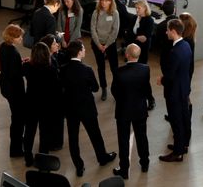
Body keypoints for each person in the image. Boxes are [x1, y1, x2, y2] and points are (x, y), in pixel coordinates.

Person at [61, 40, 116, 177]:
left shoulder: (63, 69)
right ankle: (102, 158)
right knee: (95, 134)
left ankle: (79, 166)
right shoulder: (87, 70)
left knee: (73, 139)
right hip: (86, 108)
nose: (85, 50)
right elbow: (96, 88)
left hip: (70, 108)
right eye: (84, 49)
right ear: (79, 52)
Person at [111, 43, 152, 179]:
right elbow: (147, 89)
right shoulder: (145, 69)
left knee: (123, 140)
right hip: (140, 109)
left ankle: (124, 169)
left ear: (127, 55)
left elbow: (114, 91)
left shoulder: (118, 71)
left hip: (123, 111)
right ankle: (145, 163)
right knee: (142, 137)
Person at [23, 42, 62, 165]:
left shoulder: (28, 67)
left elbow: (22, 68)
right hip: (47, 105)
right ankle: (42, 157)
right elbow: (57, 88)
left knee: (29, 131)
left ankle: (28, 157)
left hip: (30, 104)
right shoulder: (51, 69)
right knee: (45, 132)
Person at [159, 18, 192, 163]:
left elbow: (170, 76)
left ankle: (178, 153)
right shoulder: (186, 45)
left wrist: (162, 80)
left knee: (176, 121)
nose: (166, 32)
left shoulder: (174, 52)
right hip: (184, 88)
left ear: (173, 31)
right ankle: (183, 144)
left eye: (167, 30)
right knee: (184, 119)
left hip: (174, 92)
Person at [0, 24, 26, 158]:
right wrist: (26, 66)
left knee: (16, 118)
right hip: (15, 90)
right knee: (18, 120)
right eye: (19, 36)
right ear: (13, 37)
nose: (21, 39)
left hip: (6, 87)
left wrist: (19, 62)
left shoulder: (3, 47)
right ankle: (16, 149)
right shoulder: (13, 52)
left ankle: (16, 147)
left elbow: (8, 66)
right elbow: (16, 73)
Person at [91, 0, 120, 101]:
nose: (103, 2)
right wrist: (99, 44)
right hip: (97, 44)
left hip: (110, 44)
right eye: (102, 0)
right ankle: (103, 88)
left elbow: (115, 30)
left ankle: (116, 88)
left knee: (114, 68)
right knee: (101, 67)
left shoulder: (115, 13)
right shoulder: (96, 12)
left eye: (106, 0)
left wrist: (106, 45)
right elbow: (93, 29)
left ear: (111, 1)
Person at [39, 34, 66, 150]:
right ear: (49, 47)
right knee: (55, 122)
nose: (57, 45)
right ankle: (54, 143)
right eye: (54, 43)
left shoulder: (49, 57)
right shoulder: (49, 64)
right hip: (53, 98)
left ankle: (49, 143)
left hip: (47, 98)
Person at [127, 0, 155, 109]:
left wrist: (134, 36)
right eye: (136, 8)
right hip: (132, 50)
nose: (137, 10)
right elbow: (128, 33)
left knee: (143, 76)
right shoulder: (134, 18)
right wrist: (136, 37)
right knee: (132, 75)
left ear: (145, 8)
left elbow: (144, 38)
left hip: (142, 51)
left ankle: (150, 99)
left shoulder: (149, 20)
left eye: (139, 8)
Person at [154, 0, 177, 65]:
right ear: (174, 10)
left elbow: (157, 42)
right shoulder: (179, 23)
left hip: (165, 55)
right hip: (176, 54)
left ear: (163, 11)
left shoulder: (160, 26)